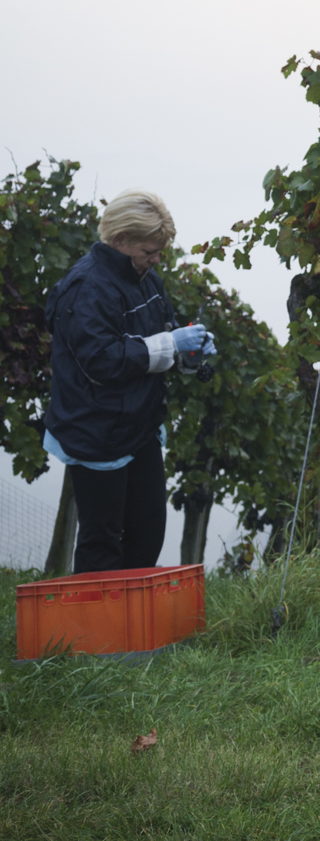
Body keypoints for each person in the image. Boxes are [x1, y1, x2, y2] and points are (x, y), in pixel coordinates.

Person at [44, 190, 211, 574]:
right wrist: (171, 343)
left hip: (139, 426)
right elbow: (101, 363)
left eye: (159, 252)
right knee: (101, 542)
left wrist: (189, 352)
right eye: (149, 251)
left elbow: (161, 335)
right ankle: (89, 632)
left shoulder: (145, 278)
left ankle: (130, 626)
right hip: (96, 430)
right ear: (120, 241)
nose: (155, 259)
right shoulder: (86, 287)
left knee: (148, 532)